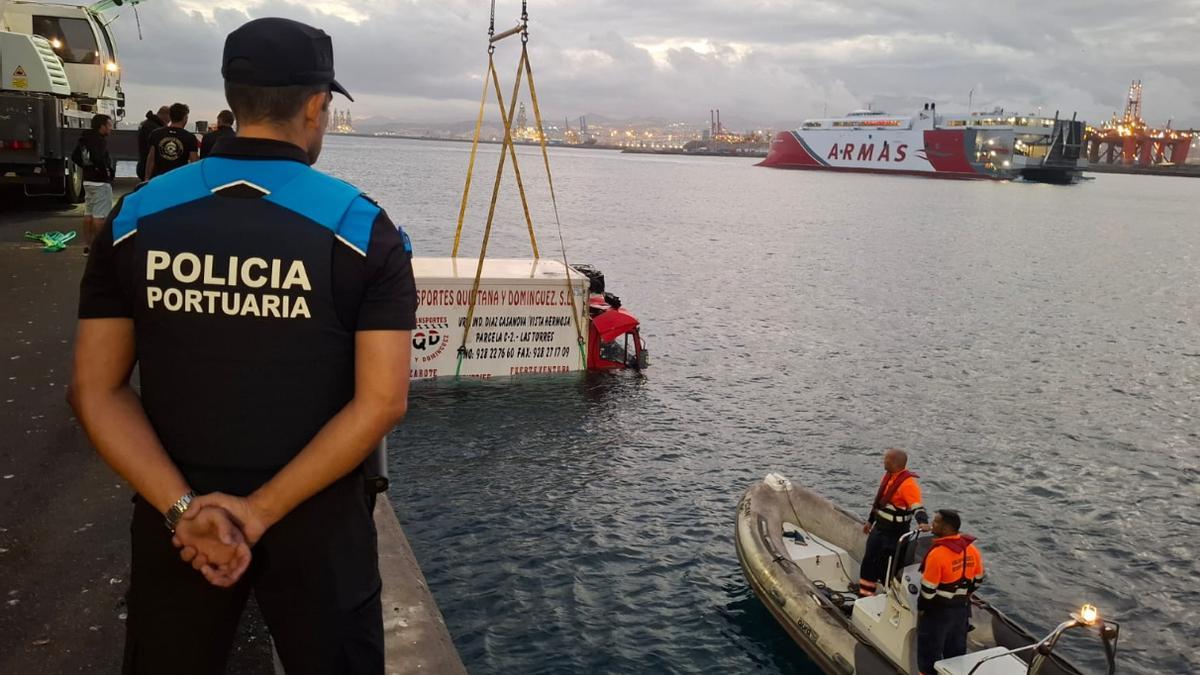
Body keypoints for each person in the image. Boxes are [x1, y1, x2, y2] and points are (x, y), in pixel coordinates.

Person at [69, 16, 416, 674]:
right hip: (320, 532)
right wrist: (257, 512)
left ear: (233, 98)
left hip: (179, 524)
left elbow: (95, 388)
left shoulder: (135, 217)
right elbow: (381, 402)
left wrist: (182, 510)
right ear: (316, 106)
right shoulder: (359, 227)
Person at [917, 509, 985, 674]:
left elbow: (927, 592)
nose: (932, 524)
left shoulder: (937, 554)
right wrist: (964, 596)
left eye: (937, 522)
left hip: (938, 613)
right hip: (961, 610)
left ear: (947, 529)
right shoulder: (972, 550)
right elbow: (978, 579)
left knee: (929, 654)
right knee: (956, 652)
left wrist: (922, 611)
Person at [857, 447, 929, 597]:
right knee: (869, 561)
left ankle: (889, 593)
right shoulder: (889, 477)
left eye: (886, 459)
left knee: (890, 565)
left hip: (895, 533)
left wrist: (922, 522)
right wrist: (870, 521)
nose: (884, 461)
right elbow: (879, 503)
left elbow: (917, 506)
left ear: (895, 463)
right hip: (879, 528)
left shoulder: (908, 484)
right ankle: (865, 594)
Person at [73, 113, 116, 254]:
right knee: (100, 217)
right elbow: (99, 158)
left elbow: (75, 156)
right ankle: (100, 248)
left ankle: (88, 246)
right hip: (100, 182)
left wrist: (87, 166)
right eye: (109, 125)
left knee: (89, 214)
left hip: (88, 180)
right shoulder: (100, 141)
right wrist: (106, 171)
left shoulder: (84, 138)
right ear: (102, 126)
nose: (111, 129)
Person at [144, 102, 198, 179]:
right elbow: (194, 162)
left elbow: (151, 159)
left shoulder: (156, 134)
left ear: (170, 116)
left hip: (158, 178)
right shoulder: (190, 137)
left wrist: (147, 178)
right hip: (179, 179)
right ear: (185, 118)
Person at [136, 106, 168, 180]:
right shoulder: (155, 129)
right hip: (151, 169)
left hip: (143, 164)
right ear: (166, 116)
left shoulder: (147, 124)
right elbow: (153, 151)